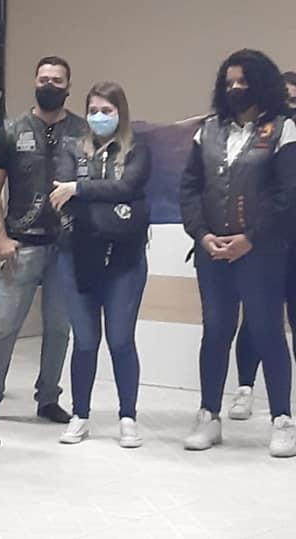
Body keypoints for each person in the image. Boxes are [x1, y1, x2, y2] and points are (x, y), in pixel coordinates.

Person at [180, 49, 296, 457]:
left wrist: (250, 238)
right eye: (228, 82)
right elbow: (190, 188)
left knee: (266, 331)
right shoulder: (207, 130)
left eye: (242, 82)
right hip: (212, 251)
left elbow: (287, 195)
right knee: (215, 332)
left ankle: (282, 419)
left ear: (260, 84)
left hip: (261, 252)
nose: (234, 89)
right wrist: (201, 234)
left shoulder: (282, 130)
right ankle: (208, 415)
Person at [0, 56, 88, 425]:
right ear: (34, 82)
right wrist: (0, 237)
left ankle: (49, 397)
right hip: (21, 244)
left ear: (68, 87)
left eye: (57, 80)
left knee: (59, 328)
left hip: (67, 247)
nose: (49, 85)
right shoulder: (11, 131)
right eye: (43, 79)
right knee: (3, 325)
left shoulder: (83, 131)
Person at [48, 82, 151, 447]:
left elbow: (128, 189)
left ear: (120, 112)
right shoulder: (72, 149)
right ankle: (80, 415)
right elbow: (60, 194)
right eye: (93, 111)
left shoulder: (137, 150)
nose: (99, 117)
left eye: (107, 111)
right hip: (77, 255)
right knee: (85, 341)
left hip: (125, 259)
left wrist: (80, 189)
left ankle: (128, 417)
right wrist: (84, 193)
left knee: (120, 339)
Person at [229, 69, 296, 421]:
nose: (290, 106)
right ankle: (245, 389)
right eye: (286, 100)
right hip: (265, 239)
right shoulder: (263, 136)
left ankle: (285, 403)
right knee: (256, 319)